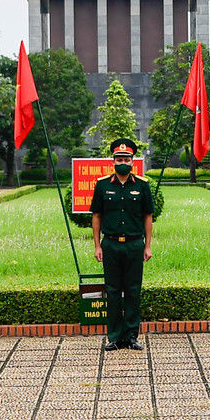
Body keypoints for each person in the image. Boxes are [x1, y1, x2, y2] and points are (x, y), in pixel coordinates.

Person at [90, 138, 153, 350]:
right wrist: (97, 245)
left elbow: (148, 216)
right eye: (119, 159)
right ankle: (115, 337)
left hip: (134, 245)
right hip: (111, 245)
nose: (123, 162)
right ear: (113, 161)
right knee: (113, 290)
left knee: (133, 290)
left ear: (132, 161)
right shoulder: (103, 185)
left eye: (126, 159)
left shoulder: (142, 185)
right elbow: (96, 216)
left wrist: (147, 246)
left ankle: (132, 336)